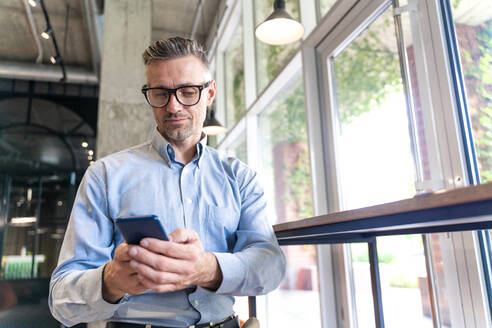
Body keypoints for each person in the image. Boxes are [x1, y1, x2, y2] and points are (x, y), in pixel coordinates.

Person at [48, 37, 286, 328]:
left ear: (210, 93)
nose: (173, 106)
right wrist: (111, 280)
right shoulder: (105, 176)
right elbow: (61, 300)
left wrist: (207, 268)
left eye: (187, 92)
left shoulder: (240, 178)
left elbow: (271, 267)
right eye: (160, 93)